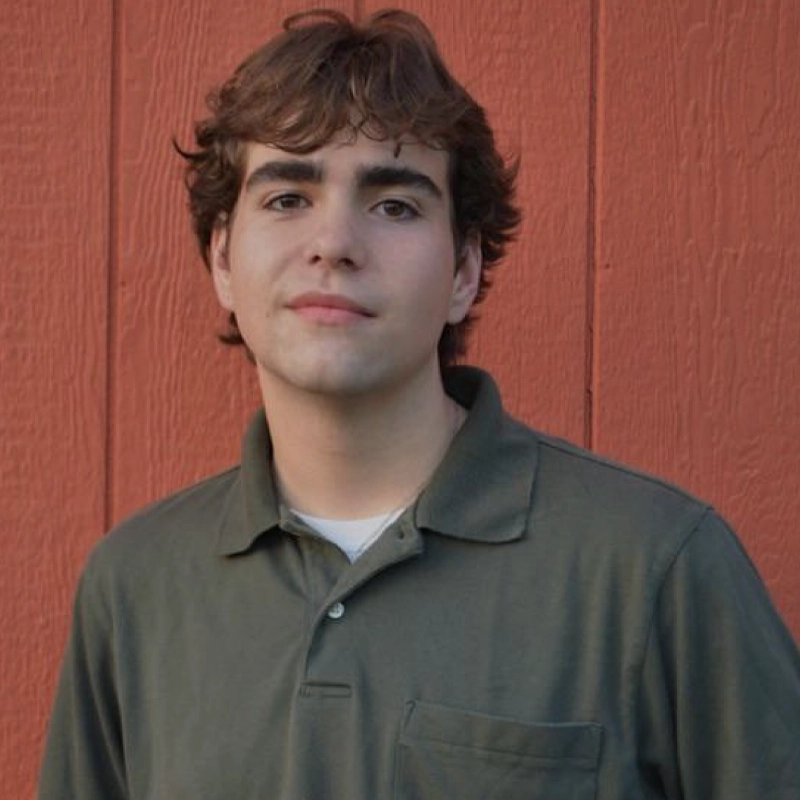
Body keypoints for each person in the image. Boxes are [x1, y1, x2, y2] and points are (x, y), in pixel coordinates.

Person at [39, 8, 800, 800]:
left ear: (464, 270)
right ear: (223, 258)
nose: (334, 242)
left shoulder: (656, 570)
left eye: (394, 204)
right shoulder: (134, 590)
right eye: (287, 198)